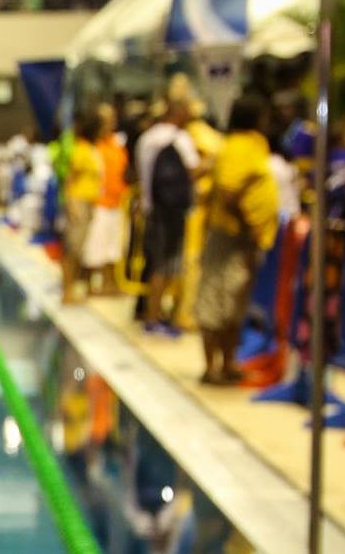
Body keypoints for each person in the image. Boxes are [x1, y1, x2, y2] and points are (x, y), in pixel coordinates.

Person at [194, 95, 280, 385]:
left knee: (234, 305)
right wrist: (249, 224)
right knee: (215, 301)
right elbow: (229, 191)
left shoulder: (252, 145)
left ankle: (229, 363)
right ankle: (211, 367)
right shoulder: (237, 147)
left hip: (243, 239)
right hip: (230, 237)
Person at [135, 97, 203, 333]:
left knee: (152, 261)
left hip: (150, 207)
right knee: (164, 265)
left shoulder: (146, 138)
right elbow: (194, 169)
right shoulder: (179, 139)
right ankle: (153, 318)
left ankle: (146, 310)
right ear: (180, 114)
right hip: (171, 211)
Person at [83, 103, 129, 294]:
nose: (111, 123)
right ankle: (89, 285)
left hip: (117, 201)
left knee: (113, 247)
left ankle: (109, 284)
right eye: (106, 119)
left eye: (112, 118)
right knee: (94, 246)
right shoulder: (89, 144)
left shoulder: (117, 143)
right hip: (97, 202)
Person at [62, 107, 104, 303]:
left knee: (79, 249)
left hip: (88, 202)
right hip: (79, 202)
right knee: (73, 249)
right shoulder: (81, 150)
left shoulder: (90, 149)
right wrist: (73, 205)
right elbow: (70, 180)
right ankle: (66, 291)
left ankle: (72, 288)